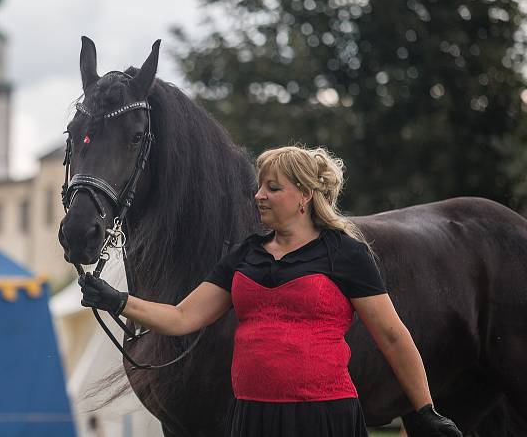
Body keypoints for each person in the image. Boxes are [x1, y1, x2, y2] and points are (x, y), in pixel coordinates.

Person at [79, 145, 464, 437]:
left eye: (273, 187)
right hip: (252, 417)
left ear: (304, 196)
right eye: (260, 186)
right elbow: (182, 318)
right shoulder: (244, 255)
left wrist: (424, 410)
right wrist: (116, 300)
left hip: (325, 416)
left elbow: (393, 336)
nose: (259, 195)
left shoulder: (346, 254)